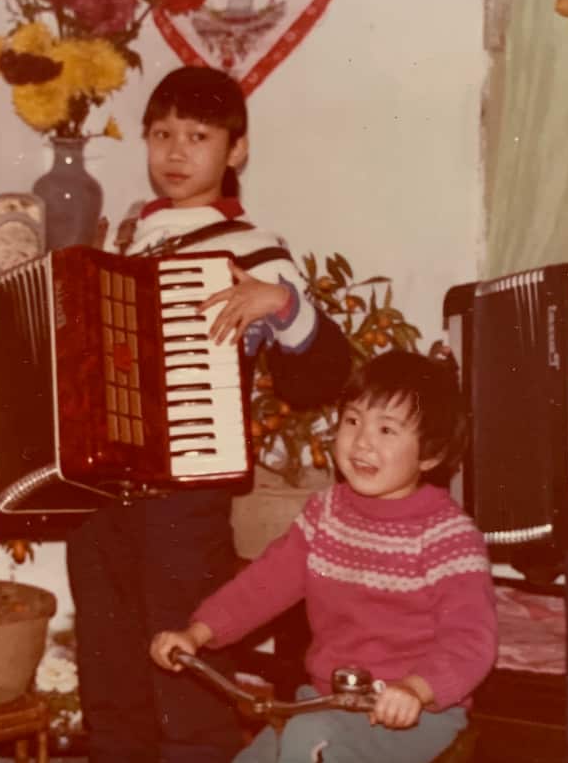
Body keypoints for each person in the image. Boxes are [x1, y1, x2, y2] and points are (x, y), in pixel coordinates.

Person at [67, 65, 352, 763]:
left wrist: (283, 308)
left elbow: (324, 374)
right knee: (110, 680)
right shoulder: (122, 242)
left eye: (198, 136)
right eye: (161, 134)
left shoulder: (255, 251)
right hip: (101, 501)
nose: (175, 151)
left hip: (184, 503)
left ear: (237, 150)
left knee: (190, 682)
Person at [150, 351, 498, 763]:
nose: (363, 441)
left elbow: (471, 639)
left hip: (417, 714)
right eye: (352, 421)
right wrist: (198, 633)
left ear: (431, 454)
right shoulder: (326, 514)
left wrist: (417, 689)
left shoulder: (447, 536)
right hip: (324, 704)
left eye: (387, 430)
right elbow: (263, 585)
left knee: (309, 741)